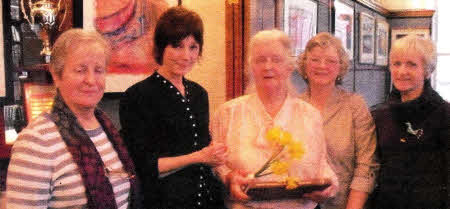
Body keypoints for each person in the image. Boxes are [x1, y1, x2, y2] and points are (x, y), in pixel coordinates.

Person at [6, 29, 141, 209]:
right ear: (56, 75)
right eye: (80, 70)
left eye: (99, 70)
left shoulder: (106, 128)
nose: (91, 80)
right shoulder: (36, 141)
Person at [210, 29, 339, 209]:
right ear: (250, 67)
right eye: (260, 60)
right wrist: (228, 177)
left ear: (289, 67)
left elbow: (321, 165)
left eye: (276, 60)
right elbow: (214, 166)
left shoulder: (310, 115)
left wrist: (330, 185)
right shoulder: (228, 113)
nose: (268, 66)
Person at [119, 6, 227, 209]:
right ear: (161, 48)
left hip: (208, 200)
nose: (186, 56)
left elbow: (204, 148)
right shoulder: (137, 96)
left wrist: (216, 155)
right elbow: (144, 166)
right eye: (177, 46)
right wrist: (199, 157)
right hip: (164, 202)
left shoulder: (199, 94)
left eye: (193, 47)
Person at [297, 32, 378, 209]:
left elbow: (367, 166)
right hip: (299, 202)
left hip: (344, 204)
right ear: (304, 64)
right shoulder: (293, 106)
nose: (322, 66)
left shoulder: (354, 106)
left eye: (331, 61)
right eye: (315, 59)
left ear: (340, 67)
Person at [370, 35, 449, 209]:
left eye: (411, 64)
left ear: (427, 71)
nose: (401, 71)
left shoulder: (445, 114)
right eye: (396, 64)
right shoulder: (379, 115)